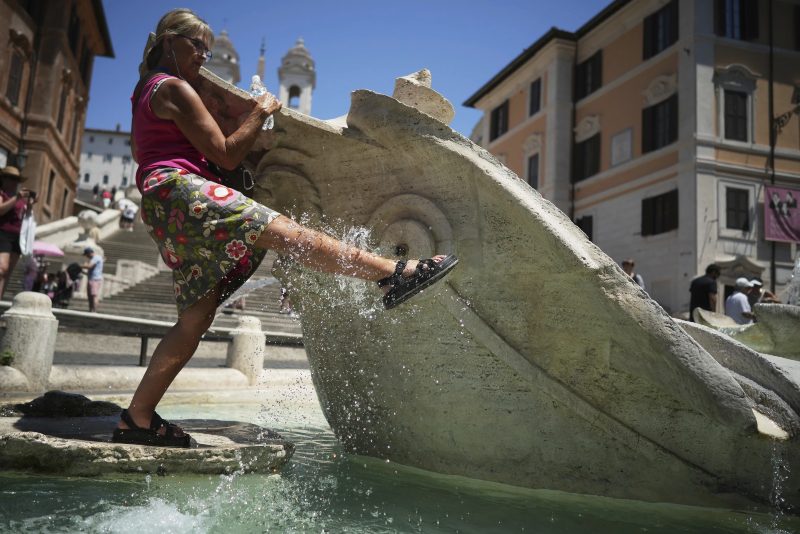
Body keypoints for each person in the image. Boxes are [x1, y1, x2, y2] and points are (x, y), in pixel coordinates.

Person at [113, 8, 458, 448]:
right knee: (290, 234)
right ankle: (394, 273)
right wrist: (260, 111)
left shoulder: (145, 90)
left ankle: (137, 417)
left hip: (162, 203)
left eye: (207, 49)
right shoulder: (175, 87)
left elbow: (162, 149)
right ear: (168, 42)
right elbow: (225, 153)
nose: (202, 55)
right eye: (195, 45)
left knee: (195, 319)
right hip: (183, 190)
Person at [0, 166, 36, 299]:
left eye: (16, 179)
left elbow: (25, 216)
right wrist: (16, 197)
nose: (14, 182)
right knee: (2, 269)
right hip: (3, 234)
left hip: (17, 237)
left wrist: (30, 204)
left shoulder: (20, 200)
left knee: (7, 273)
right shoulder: (2, 194)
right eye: (12, 178)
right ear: (4, 179)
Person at [81, 247, 104, 312]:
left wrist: (80, 266)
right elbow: (91, 270)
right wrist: (83, 272)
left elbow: (89, 266)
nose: (86, 256)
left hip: (95, 279)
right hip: (92, 278)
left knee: (94, 295)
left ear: (89, 253)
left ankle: (94, 311)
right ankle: (91, 310)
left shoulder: (95, 258)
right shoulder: (95, 258)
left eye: (86, 255)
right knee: (90, 296)